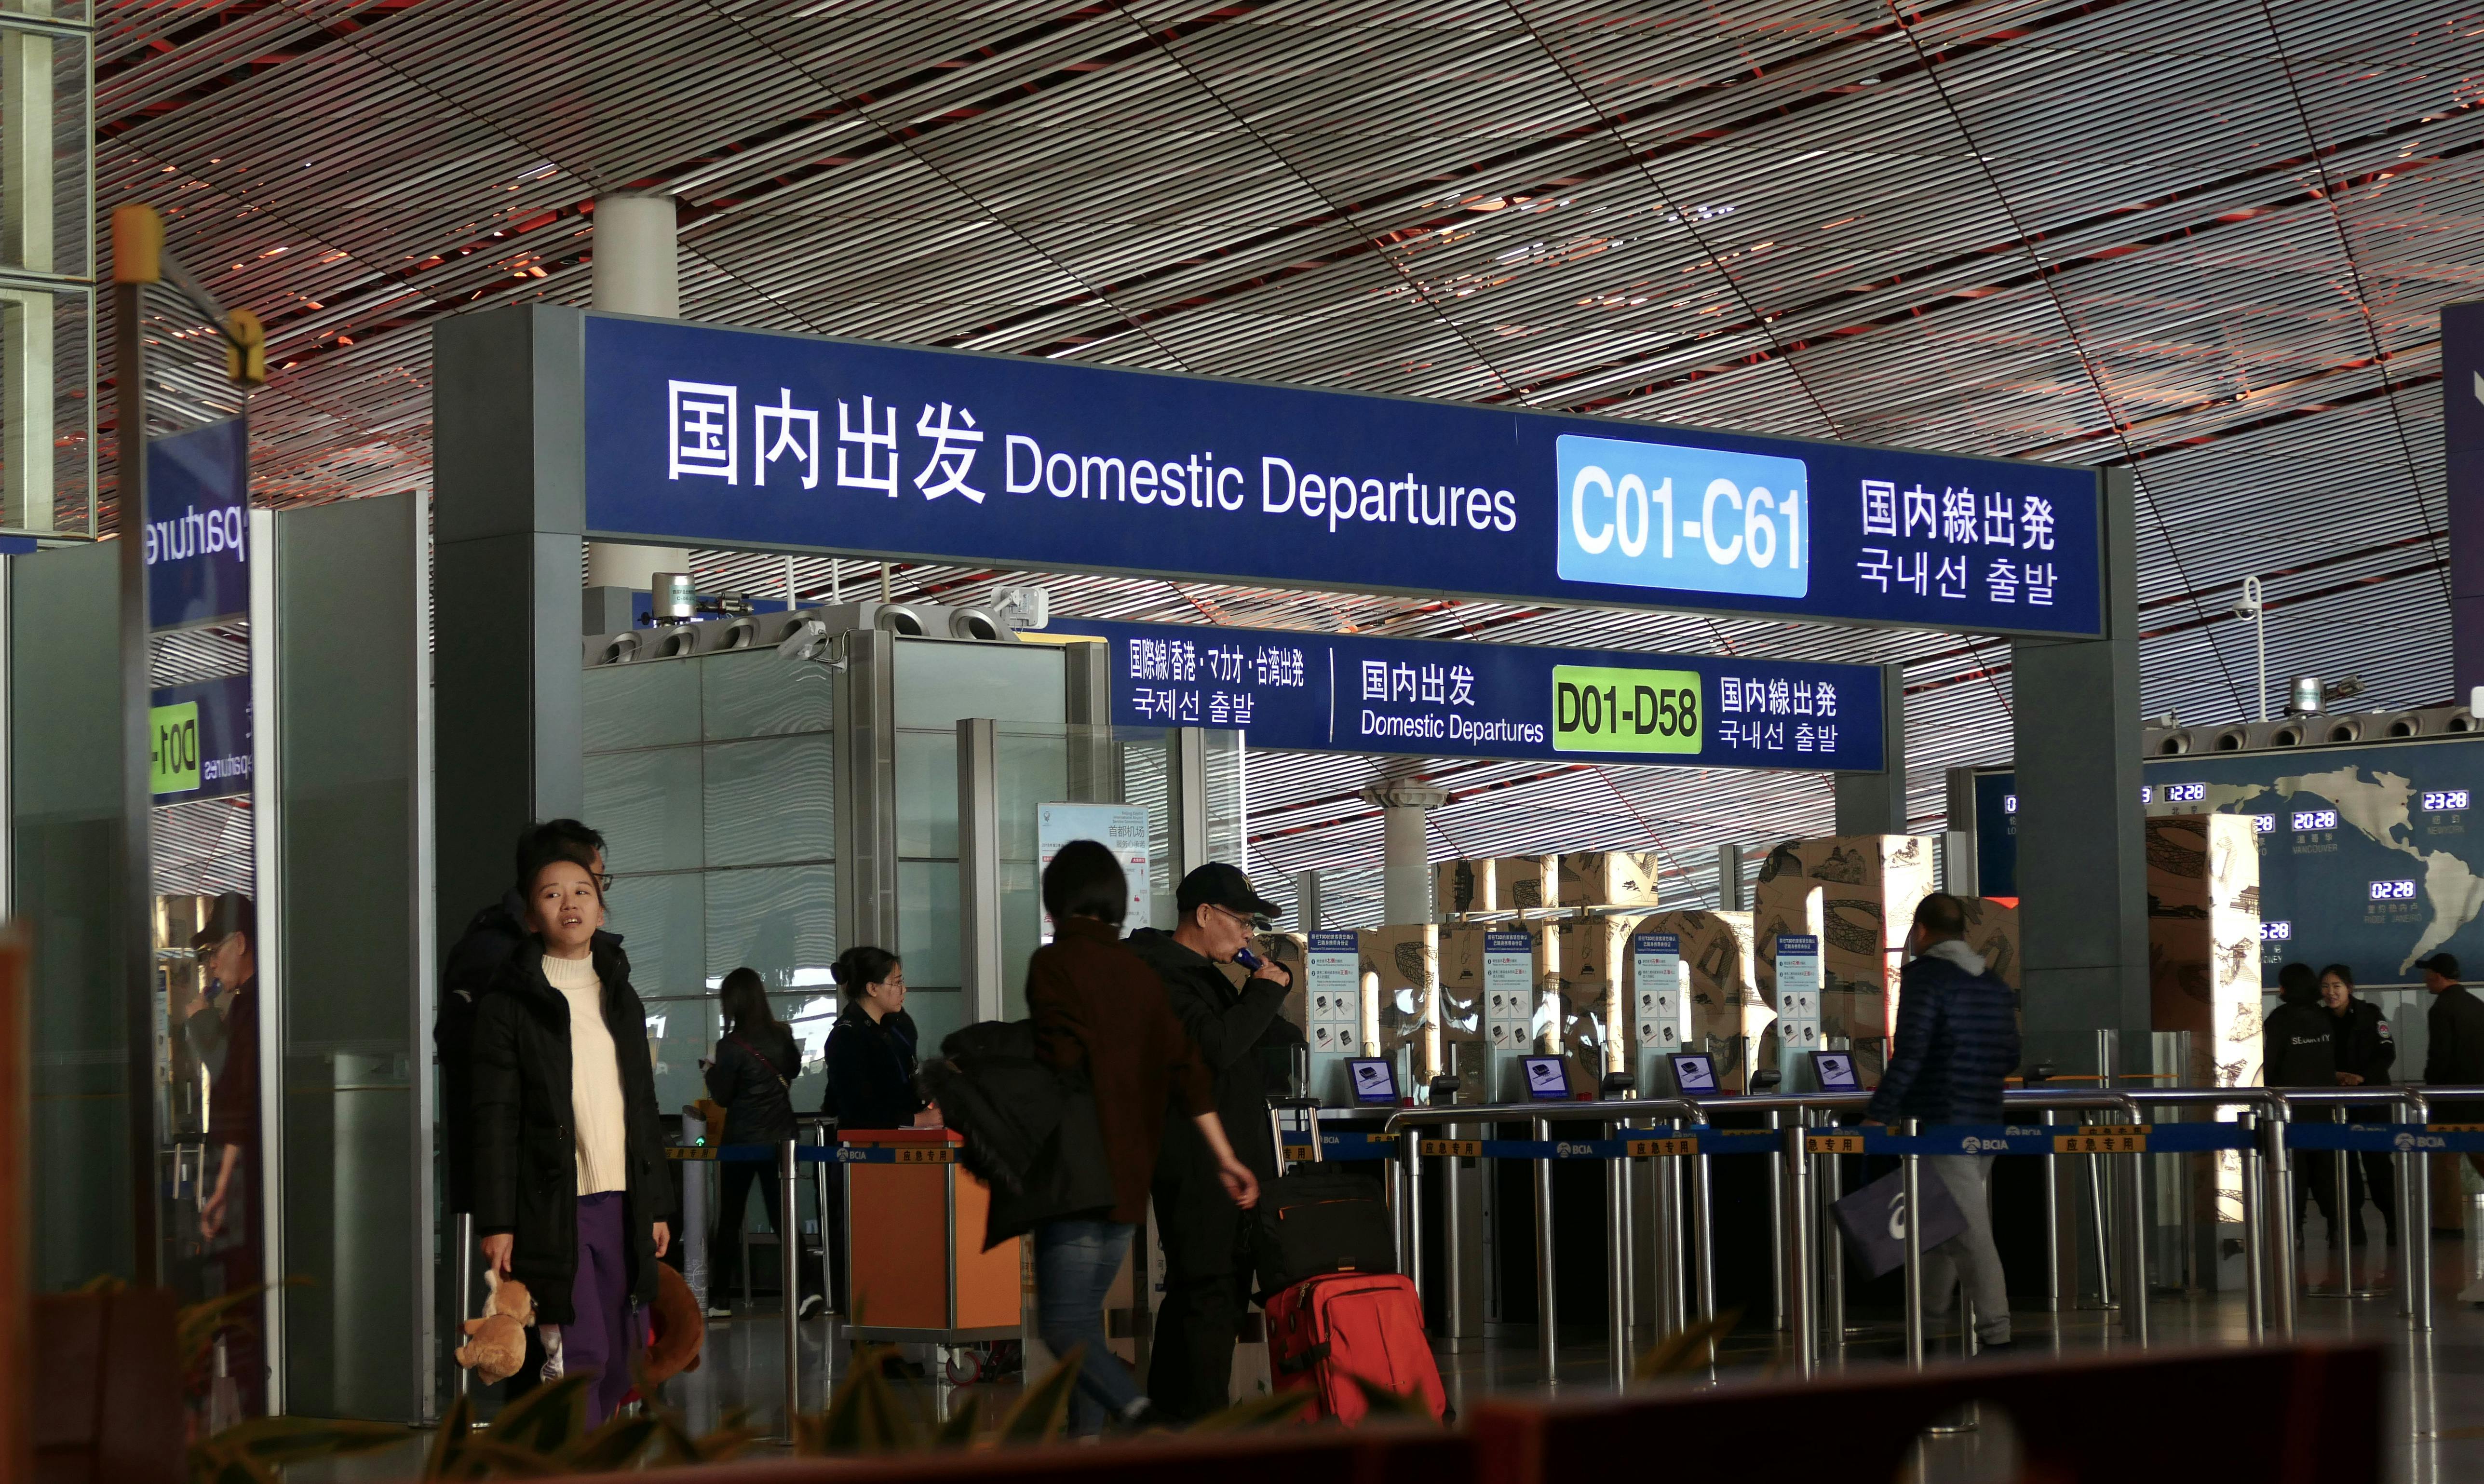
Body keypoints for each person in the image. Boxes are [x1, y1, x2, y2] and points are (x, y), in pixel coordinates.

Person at [1025, 839, 1259, 1436]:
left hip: (1085, 1166)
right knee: (1080, 1321)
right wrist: (1227, 1155)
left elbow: (1057, 1059)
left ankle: (1140, 1422)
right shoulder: (1147, 972)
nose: (1249, 935)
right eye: (1243, 920)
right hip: (1124, 1169)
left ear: (1056, 905)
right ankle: (1138, 1429)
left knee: (1069, 1325)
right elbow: (1193, 1066)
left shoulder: (1065, 967)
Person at [471, 838, 675, 1424]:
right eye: (552, 894)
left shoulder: (622, 997)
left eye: (583, 891)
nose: (570, 903)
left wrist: (656, 1204)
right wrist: (498, 1222)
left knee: (623, 1359)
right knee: (581, 1353)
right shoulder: (509, 1004)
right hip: (551, 1203)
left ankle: (593, 1450)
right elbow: (493, 1118)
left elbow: (642, 1104)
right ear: (532, 915)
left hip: (624, 1199)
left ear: (601, 910)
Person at [1125, 861, 1301, 1423]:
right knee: (1207, 1294)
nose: (1248, 934)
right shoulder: (1160, 976)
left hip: (1222, 1160)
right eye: (1243, 921)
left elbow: (1264, 1039)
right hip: (1195, 1163)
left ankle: (1176, 1425)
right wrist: (1261, 996)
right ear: (1204, 914)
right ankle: (1197, 1428)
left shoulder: (1201, 974)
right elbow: (1212, 1050)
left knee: (1209, 1296)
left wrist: (1268, 990)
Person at [1862, 892, 2022, 1351]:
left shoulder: (1927, 979)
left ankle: (1997, 1334)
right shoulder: (1991, 983)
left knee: (1970, 1235)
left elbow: (1911, 1052)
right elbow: (2011, 1053)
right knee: (1939, 1225)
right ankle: (1927, 1327)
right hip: (1986, 1121)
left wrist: (1879, 1114)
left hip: (1940, 1121)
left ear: (1922, 931)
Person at [438, 820, 619, 1221]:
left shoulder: (602, 968)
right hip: (531, 1180)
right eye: (596, 881)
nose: (595, 898)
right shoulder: (496, 956)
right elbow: (487, 1086)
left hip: (589, 1179)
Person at [703, 967, 815, 1320]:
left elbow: (722, 1097)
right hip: (782, 1139)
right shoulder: (783, 1036)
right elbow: (794, 1071)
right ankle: (806, 1291)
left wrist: (709, 1070)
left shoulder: (729, 1046)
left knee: (730, 1220)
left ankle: (720, 1299)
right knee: (784, 1217)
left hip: (741, 1144)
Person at [192, 892, 265, 1414]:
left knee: (242, 1304)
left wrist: (219, 1189)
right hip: (264, 1176)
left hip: (251, 1183)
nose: (213, 962)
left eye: (215, 949)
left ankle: (250, 1412)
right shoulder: (258, 1003)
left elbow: (234, 1096)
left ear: (240, 943)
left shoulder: (248, 1008)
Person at [2264, 962, 2342, 1253]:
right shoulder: (2325, 1019)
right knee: (2326, 1173)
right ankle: (2337, 1228)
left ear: (2285, 988)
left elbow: (2271, 1065)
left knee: (2294, 1174)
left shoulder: (2279, 1019)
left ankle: (2294, 1230)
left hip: (2289, 1111)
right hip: (2325, 1109)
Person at [2321, 963, 2397, 1258]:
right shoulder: (2318, 1020)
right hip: (2336, 1101)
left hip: (2371, 1099)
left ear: (2349, 988)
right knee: (2344, 1166)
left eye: (2336, 986)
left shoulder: (2370, 1014)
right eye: (2325, 987)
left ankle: (2394, 1223)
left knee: (2378, 1164)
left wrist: (2361, 1077)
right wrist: (2337, 1076)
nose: (2331, 993)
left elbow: (2386, 1052)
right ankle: (2353, 1227)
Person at [821, 946, 938, 1132]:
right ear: (873, 988)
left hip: (907, 1136)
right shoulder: (847, 1036)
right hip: (869, 1146)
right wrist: (916, 1120)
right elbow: (857, 1107)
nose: (904, 990)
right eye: (897, 983)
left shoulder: (898, 1025)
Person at [2421, 953, 2484, 1180]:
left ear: (2438, 976)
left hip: (2450, 1103)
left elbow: (2440, 1057)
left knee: (2445, 1170)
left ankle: (2448, 1219)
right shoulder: (2477, 1005)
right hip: (2479, 1099)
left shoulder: (2442, 1009)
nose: (2425, 979)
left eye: (2427, 974)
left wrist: (2431, 1090)